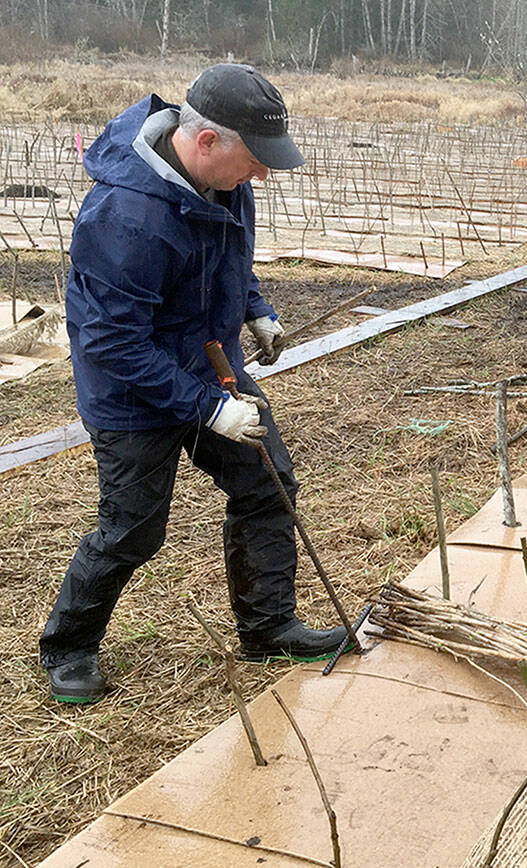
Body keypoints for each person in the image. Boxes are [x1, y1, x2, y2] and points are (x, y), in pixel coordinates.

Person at [39, 64, 347, 705]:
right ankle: (67, 647)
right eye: (254, 159)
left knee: (266, 483)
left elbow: (229, 255)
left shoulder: (227, 184)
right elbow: (111, 343)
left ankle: (268, 628)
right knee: (132, 528)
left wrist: (254, 307)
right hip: (131, 392)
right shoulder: (123, 217)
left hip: (210, 361)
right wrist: (209, 408)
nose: (261, 174)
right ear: (206, 141)